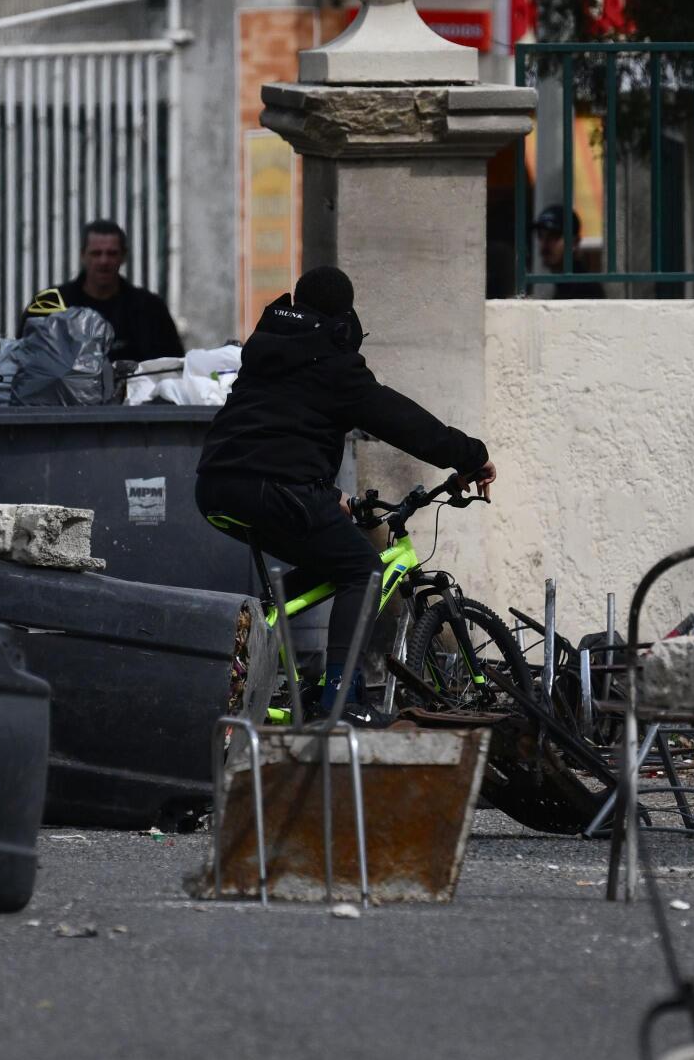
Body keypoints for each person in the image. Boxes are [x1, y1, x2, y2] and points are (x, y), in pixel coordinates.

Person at [195, 266, 495, 725]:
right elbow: (400, 419)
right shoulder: (331, 360)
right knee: (362, 570)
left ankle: (258, 626)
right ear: (345, 317)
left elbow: (280, 427)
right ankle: (341, 697)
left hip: (218, 483)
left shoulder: (268, 348)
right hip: (277, 487)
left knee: (328, 561)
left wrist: (326, 492)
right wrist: (470, 455)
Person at [34, 219, 184, 364]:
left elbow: (172, 367)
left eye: (111, 253)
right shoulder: (50, 307)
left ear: (123, 256)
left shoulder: (151, 310)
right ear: (82, 255)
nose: (104, 261)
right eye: (96, 253)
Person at [532, 205, 606, 300]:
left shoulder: (584, 289)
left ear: (574, 242)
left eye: (554, 236)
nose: (544, 244)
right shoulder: (563, 284)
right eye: (540, 235)